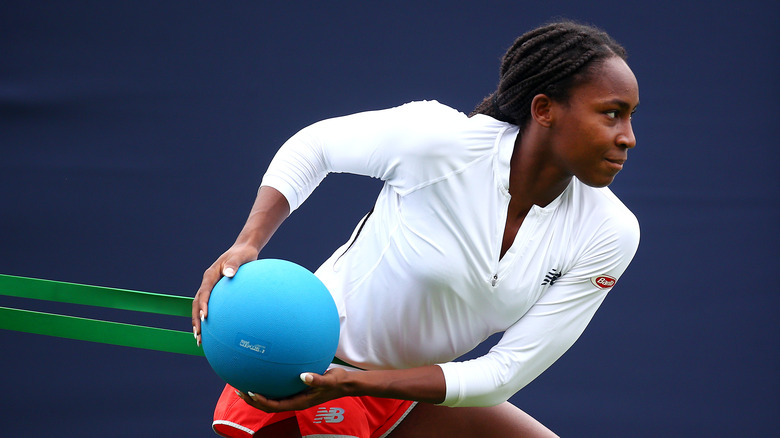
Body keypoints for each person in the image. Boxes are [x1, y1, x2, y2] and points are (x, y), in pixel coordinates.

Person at [192, 19, 640, 438]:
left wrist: (361, 385)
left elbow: (504, 372)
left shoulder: (609, 231)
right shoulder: (440, 140)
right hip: (306, 368)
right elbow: (315, 147)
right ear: (544, 109)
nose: (628, 136)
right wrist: (247, 243)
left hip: (407, 391)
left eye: (631, 116)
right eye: (611, 114)